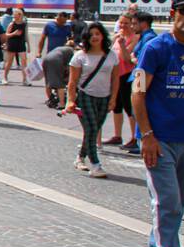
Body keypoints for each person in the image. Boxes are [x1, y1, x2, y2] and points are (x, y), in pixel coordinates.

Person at [131, 0, 184, 247]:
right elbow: (138, 92)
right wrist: (147, 136)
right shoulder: (154, 48)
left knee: (178, 204)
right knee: (167, 201)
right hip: (160, 140)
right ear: (173, 13)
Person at [64, 21, 119, 178]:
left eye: (98, 34)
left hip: (104, 97)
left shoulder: (111, 55)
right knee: (92, 129)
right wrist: (70, 100)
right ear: (86, 38)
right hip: (85, 95)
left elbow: (115, 79)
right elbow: (72, 82)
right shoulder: (79, 56)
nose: (95, 37)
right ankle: (95, 165)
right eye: (91, 34)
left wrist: (113, 98)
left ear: (103, 36)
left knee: (92, 131)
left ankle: (80, 158)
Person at [124, 10, 158, 153]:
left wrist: (134, 59)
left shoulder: (150, 39)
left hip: (141, 78)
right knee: (133, 110)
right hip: (137, 76)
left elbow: (142, 61)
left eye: (134, 24)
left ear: (143, 24)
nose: (132, 27)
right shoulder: (144, 37)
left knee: (138, 109)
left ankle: (141, 140)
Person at [104, 14, 138, 147]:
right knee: (116, 106)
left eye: (126, 23)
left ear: (132, 24)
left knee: (129, 107)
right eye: (121, 23)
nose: (123, 26)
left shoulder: (135, 38)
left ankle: (134, 138)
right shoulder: (117, 36)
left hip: (127, 75)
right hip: (115, 75)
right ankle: (117, 136)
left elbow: (127, 58)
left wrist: (123, 44)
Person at [3, 6, 29, 84]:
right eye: (16, 14)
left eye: (18, 14)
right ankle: (5, 77)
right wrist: (14, 34)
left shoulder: (24, 24)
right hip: (12, 43)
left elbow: (26, 35)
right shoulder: (12, 24)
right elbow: (6, 34)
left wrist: (29, 45)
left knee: (24, 61)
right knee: (9, 62)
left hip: (21, 43)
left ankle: (25, 79)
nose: (16, 16)